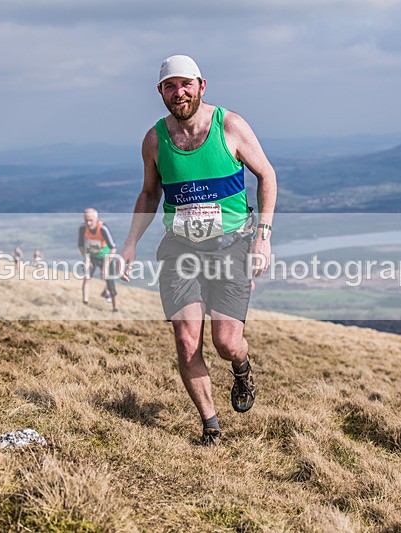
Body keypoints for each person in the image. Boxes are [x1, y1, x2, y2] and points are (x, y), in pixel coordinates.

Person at [119, 55, 277, 445]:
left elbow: (267, 175)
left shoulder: (231, 126)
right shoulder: (155, 139)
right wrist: (130, 244)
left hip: (231, 247)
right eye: (170, 86)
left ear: (201, 85)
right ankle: (211, 426)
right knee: (187, 341)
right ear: (160, 92)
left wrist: (264, 236)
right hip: (180, 251)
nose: (179, 92)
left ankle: (241, 367)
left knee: (226, 342)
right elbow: (149, 193)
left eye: (185, 84)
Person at [78, 208, 118, 312]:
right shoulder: (82, 228)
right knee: (87, 277)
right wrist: (86, 258)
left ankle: (115, 308)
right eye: (86, 220)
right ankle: (85, 302)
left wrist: (105, 266)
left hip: (106, 257)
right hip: (92, 256)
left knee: (110, 281)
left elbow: (113, 248)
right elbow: (81, 245)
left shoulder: (103, 228)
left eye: (91, 220)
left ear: (96, 219)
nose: (88, 223)